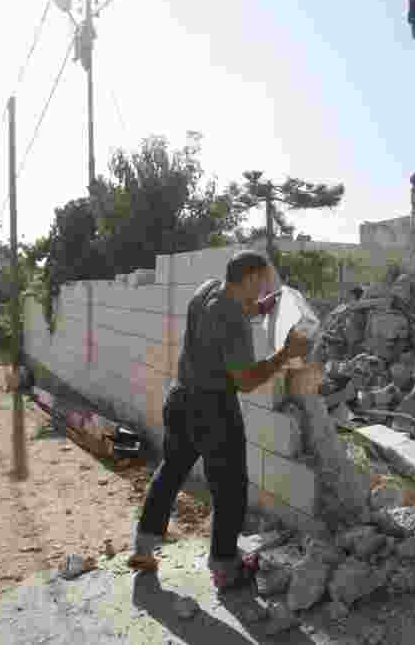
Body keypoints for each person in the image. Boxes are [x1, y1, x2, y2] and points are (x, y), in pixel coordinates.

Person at [129, 251, 311, 591]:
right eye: (262, 282)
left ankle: (143, 547)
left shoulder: (206, 290)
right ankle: (225, 567)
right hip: (213, 410)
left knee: (171, 472)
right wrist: (285, 354)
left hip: (180, 399)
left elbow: (229, 311)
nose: (264, 288)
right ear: (252, 278)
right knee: (230, 490)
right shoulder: (234, 321)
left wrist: (265, 307)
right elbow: (245, 380)